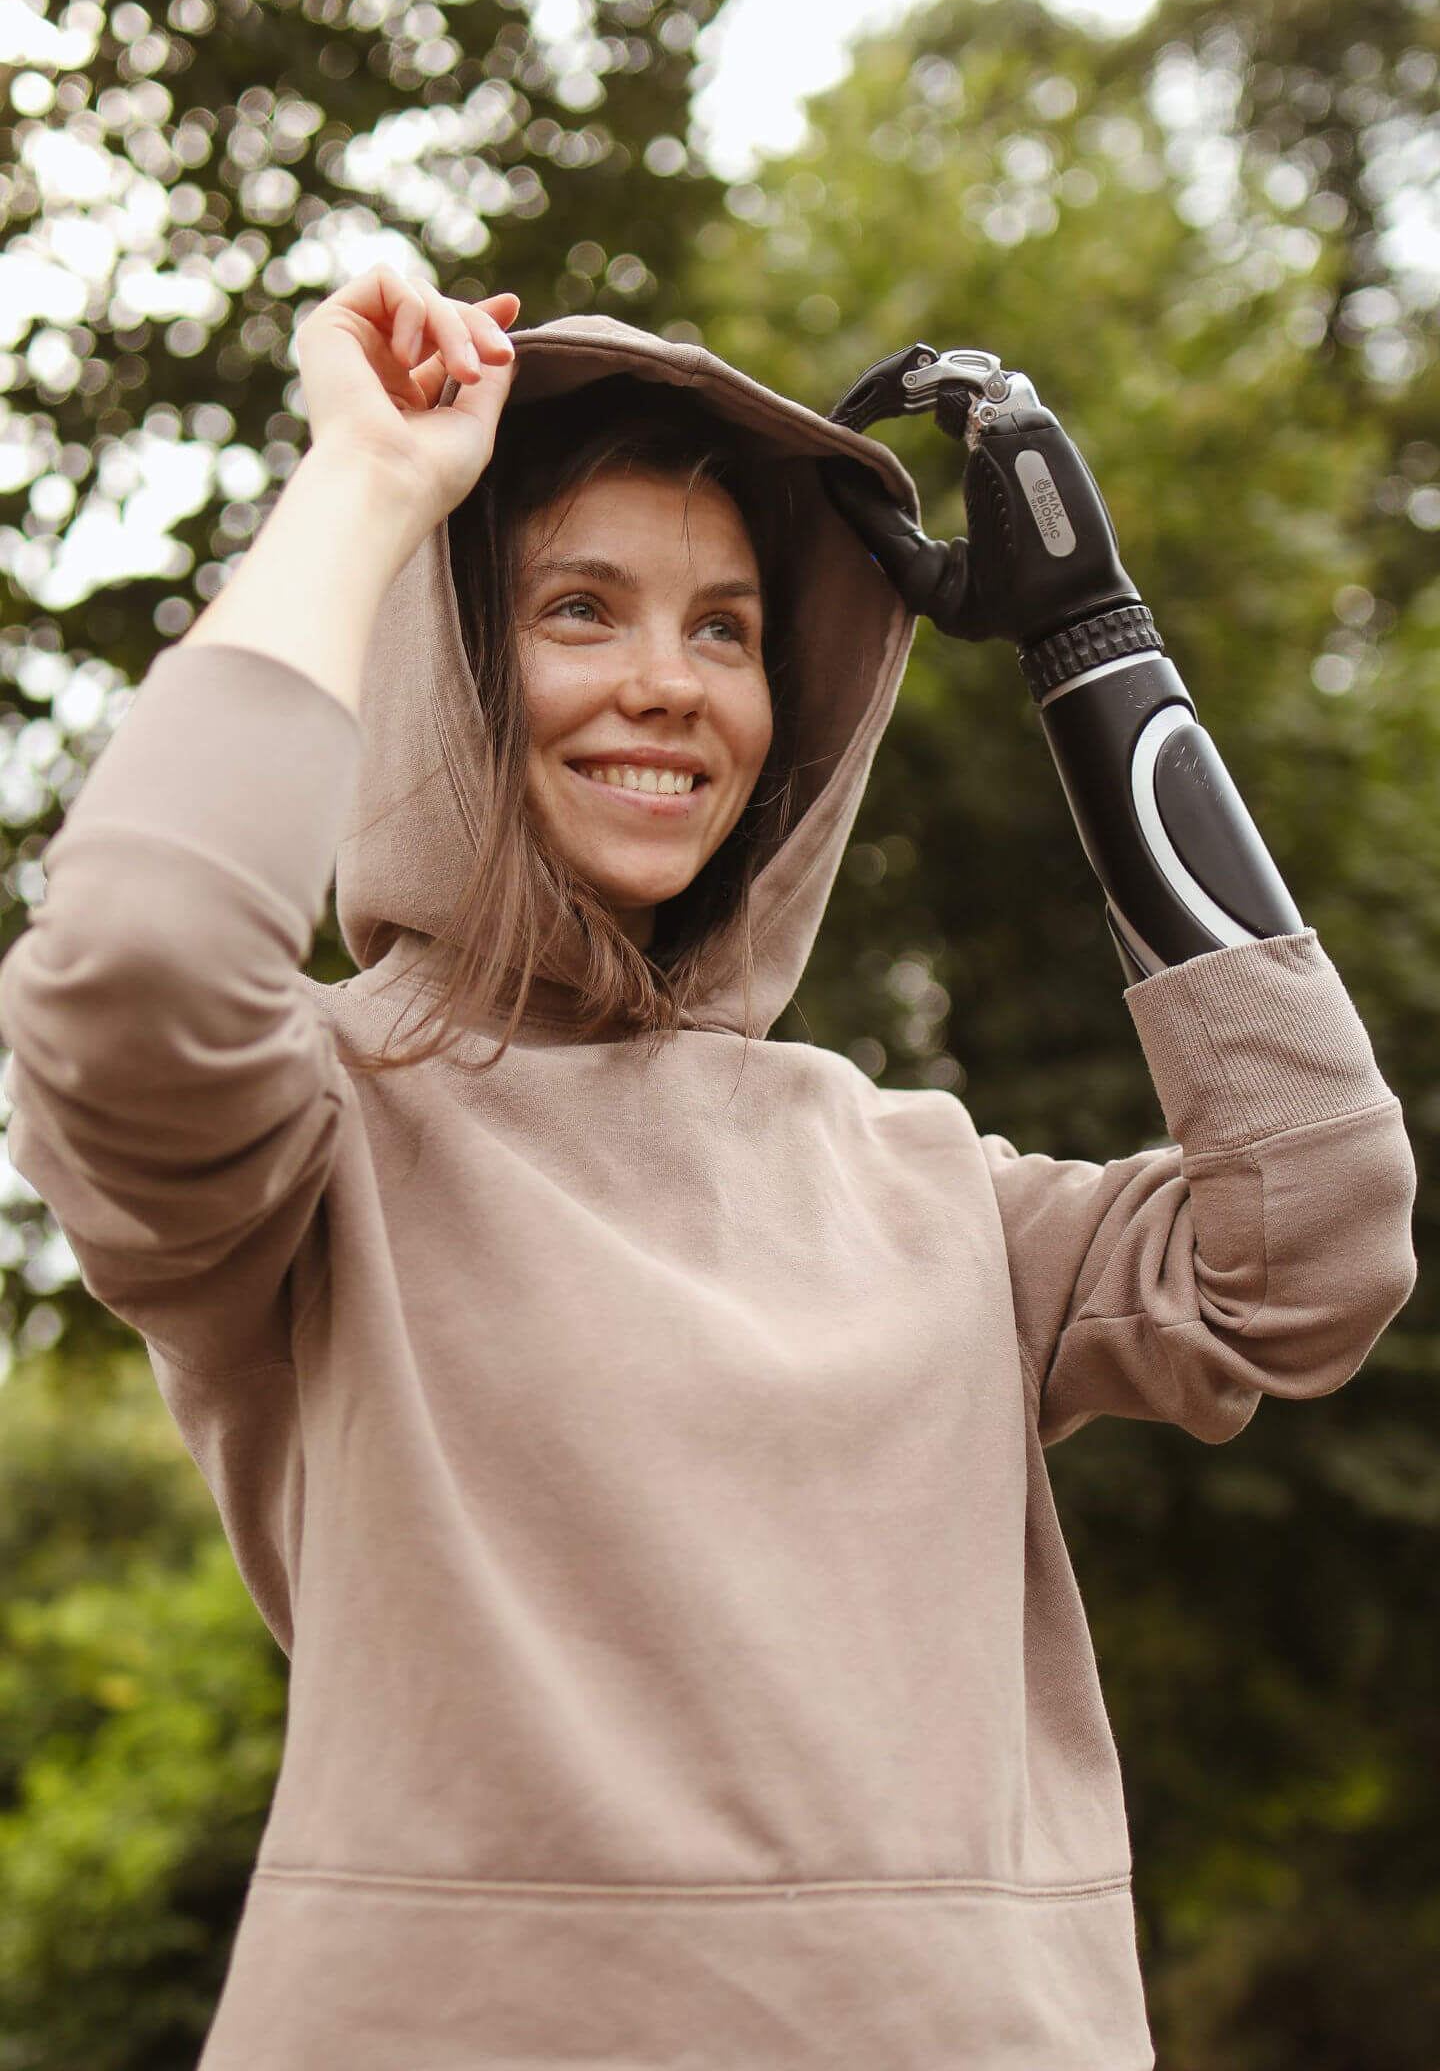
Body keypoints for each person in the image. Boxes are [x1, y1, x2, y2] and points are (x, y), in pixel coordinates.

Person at [0, 266, 1416, 2071]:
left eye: (731, 630)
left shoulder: (923, 1182)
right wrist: (360, 483)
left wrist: (1097, 654)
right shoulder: (317, 1131)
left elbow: (1316, 1249)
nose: (668, 687)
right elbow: (132, 972)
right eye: (579, 610)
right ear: (455, 671)